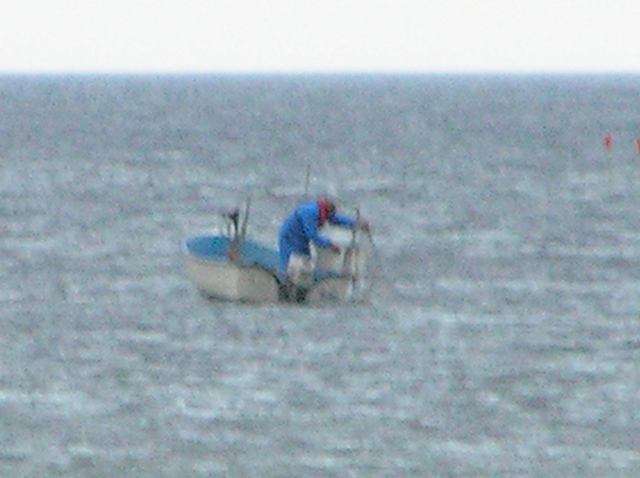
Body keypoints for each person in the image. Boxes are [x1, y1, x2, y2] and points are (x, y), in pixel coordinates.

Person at [278, 196, 369, 301]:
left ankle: (302, 294)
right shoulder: (310, 213)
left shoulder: (323, 212)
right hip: (289, 238)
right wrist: (330, 244)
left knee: (305, 268)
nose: (327, 219)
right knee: (291, 267)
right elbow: (313, 236)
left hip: (302, 240)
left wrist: (355, 223)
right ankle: (286, 292)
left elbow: (335, 219)